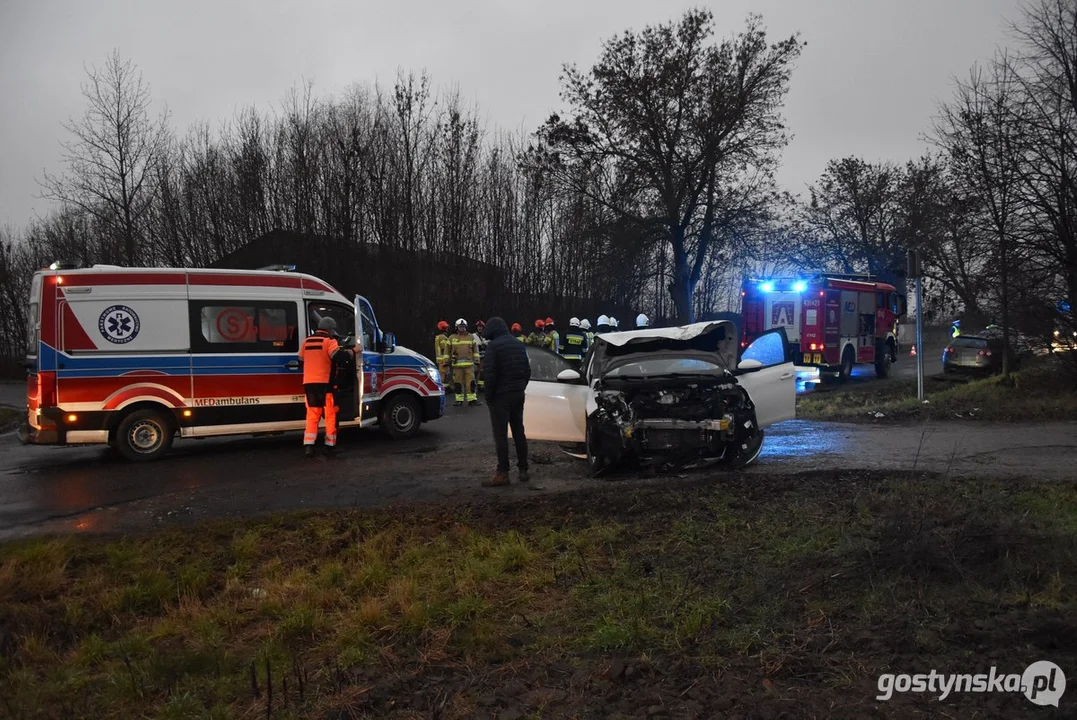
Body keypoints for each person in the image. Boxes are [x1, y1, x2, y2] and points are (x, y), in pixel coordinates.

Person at [479, 317, 531, 486]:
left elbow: (490, 375)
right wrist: (520, 387)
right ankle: (523, 470)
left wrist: (489, 396)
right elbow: (527, 370)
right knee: (518, 431)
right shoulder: (518, 344)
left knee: (501, 435)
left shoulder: (494, 347)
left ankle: (503, 473)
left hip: (500, 397)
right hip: (517, 394)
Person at [299, 316, 360, 457]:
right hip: (325, 384)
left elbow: (301, 358)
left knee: (312, 415)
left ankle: (309, 445)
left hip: (308, 383)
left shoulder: (306, 342)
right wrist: (354, 350)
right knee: (330, 415)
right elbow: (339, 356)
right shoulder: (329, 341)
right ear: (329, 329)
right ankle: (329, 445)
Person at [449, 318, 481, 407]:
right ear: (456, 327)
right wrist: (446, 362)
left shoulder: (471, 337)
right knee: (458, 383)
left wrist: (477, 361)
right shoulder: (452, 338)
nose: (462, 328)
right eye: (460, 326)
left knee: (471, 383)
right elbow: (447, 351)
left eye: (463, 326)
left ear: (466, 327)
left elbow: (475, 350)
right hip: (456, 366)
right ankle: (459, 400)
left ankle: (472, 400)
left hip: (469, 366)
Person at [434, 320, 451, 385]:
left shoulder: (438, 337)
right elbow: (445, 349)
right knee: (445, 374)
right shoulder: (443, 337)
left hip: (440, 359)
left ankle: (445, 387)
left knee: (442, 374)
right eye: (446, 328)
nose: (447, 329)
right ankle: (445, 388)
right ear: (444, 328)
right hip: (444, 359)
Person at [474, 319, 488, 393]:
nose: (480, 328)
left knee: (482, 372)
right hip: (475, 357)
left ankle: (480, 386)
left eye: (481, 327)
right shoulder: (473, 336)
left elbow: (488, 343)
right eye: (479, 326)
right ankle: (472, 386)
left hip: (484, 357)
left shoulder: (485, 336)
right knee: (475, 372)